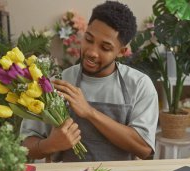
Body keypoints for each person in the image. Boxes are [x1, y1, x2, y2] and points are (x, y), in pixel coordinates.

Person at [20, 1, 159, 162]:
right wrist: (50, 145)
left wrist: (89, 112)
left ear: (121, 52)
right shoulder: (59, 82)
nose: (92, 52)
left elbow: (145, 149)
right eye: (89, 39)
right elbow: (25, 146)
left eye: (105, 48)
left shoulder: (139, 85)